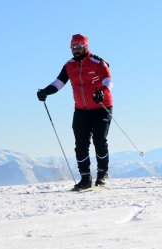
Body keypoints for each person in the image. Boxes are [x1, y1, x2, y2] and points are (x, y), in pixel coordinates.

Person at [37, 34, 113, 191]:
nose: (76, 50)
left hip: (102, 108)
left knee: (99, 141)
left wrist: (103, 92)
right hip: (81, 110)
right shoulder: (69, 65)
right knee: (80, 145)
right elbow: (58, 83)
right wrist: (45, 91)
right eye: (73, 48)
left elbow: (108, 80)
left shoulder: (97, 62)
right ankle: (85, 179)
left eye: (79, 47)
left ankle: (102, 175)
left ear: (85, 46)